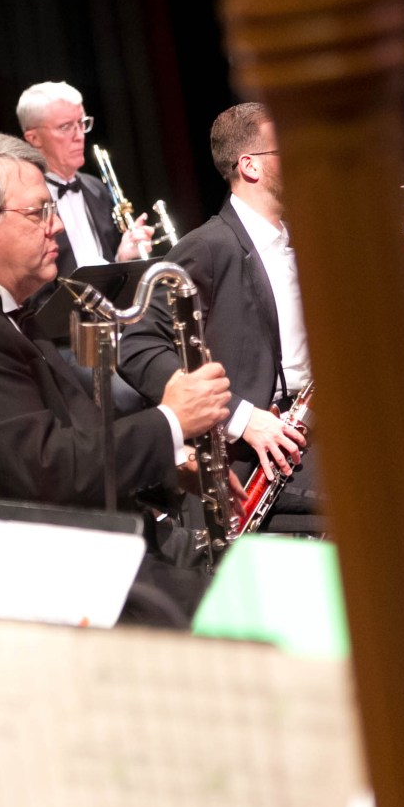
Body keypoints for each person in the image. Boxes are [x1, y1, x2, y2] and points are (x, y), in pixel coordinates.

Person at [0, 132, 231, 528]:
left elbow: (79, 431)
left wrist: (171, 459)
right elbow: (47, 471)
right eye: (38, 212)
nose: (56, 226)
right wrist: (171, 420)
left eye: (52, 210)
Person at [118, 103, 320, 530]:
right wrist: (240, 417)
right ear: (250, 166)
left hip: (308, 427)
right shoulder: (208, 247)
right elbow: (136, 346)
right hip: (252, 455)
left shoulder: (300, 239)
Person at [16, 81, 154, 276]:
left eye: (81, 123)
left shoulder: (96, 188)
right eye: (65, 127)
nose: (80, 136)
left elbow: (103, 267)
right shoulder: (22, 202)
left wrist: (121, 258)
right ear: (34, 138)